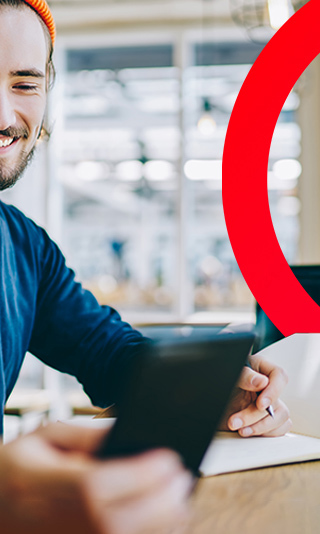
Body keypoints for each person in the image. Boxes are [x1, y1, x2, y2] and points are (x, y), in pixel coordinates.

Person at [0, 1, 291, 532]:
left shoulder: (23, 248)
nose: (3, 115)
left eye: (24, 83)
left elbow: (109, 353)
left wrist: (218, 387)